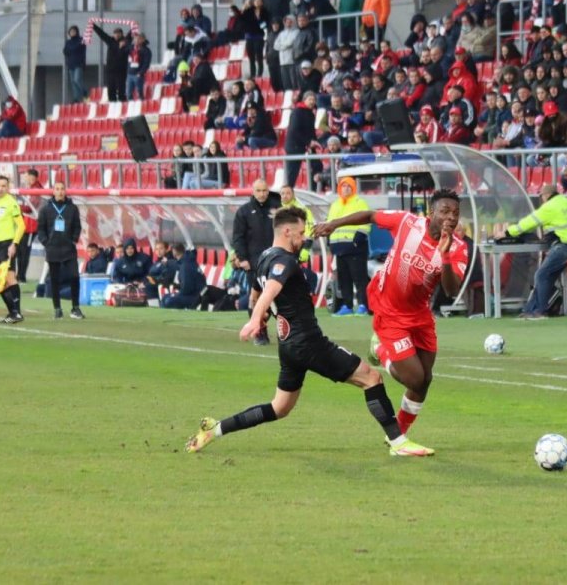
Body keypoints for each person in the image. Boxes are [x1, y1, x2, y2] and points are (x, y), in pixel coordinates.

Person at [186, 208, 434, 457]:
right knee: (371, 378)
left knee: (280, 407)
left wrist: (260, 313)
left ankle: (215, 429)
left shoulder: (263, 259)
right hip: (309, 343)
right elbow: (271, 289)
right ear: (286, 231)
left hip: (288, 346)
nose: (304, 238)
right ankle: (398, 441)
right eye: (301, 232)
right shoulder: (284, 261)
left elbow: (256, 293)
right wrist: (254, 319)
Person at [314, 189, 467, 437]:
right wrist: (335, 224)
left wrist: (445, 254)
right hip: (390, 309)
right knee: (415, 379)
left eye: (456, 213)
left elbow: (451, 290)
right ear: (431, 213)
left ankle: (397, 435)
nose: (451, 217)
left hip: (420, 315)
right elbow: (371, 215)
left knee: (425, 380)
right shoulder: (407, 223)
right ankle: (381, 350)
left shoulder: (459, 247)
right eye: (445, 211)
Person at [509, 185, 567, 320]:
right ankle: (529, 311)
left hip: (563, 245)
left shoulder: (550, 206)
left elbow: (529, 222)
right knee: (546, 276)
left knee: (541, 274)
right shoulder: (566, 202)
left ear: (545, 195)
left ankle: (540, 311)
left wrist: (508, 232)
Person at [233, 179, 282, 345]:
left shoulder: (277, 209)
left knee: (279, 299)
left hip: (275, 261)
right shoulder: (244, 212)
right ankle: (259, 332)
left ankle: (286, 333)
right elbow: (238, 238)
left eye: (264, 190)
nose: (262, 194)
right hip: (254, 263)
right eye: (259, 190)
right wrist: (243, 259)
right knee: (257, 299)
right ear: (253, 191)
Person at [35, 181, 84, 320]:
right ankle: (57, 308)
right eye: (57, 189)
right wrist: (46, 243)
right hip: (53, 249)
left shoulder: (72, 208)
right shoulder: (45, 209)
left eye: (62, 189)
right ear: (53, 191)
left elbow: (77, 226)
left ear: (65, 191)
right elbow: (41, 229)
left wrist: (73, 240)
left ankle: (75, 308)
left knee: (74, 277)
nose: (60, 191)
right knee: (54, 280)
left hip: (69, 249)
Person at [324, 176, 372, 315]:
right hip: (339, 248)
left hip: (355, 247)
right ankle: (347, 306)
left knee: (360, 278)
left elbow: (366, 221)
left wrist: (358, 239)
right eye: (343, 186)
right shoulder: (335, 205)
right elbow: (330, 223)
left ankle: (363, 305)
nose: (346, 188)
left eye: (349, 186)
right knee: (344, 279)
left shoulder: (359, 202)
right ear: (339, 188)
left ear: (353, 188)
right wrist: (329, 241)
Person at [0, 176, 25, 324]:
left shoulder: (11, 203)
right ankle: (12, 312)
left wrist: (14, 244)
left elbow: (21, 226)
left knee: (9, 279)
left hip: (8, 244)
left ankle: (17, 312)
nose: (0, 188)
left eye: (3, 186)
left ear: (7, 188)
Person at [284, 91, 318, 189]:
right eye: (310, 99)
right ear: (304, 100)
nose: (312, 102)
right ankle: (288, 193)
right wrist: (308, 142)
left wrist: (315, 142)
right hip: (294, 146)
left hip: (305, 145)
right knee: (292, 173)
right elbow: (294, 131)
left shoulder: (310, 114)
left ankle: (313, 190)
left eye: (314, 100)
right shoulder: (297, 112)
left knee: (317, 165)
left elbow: (311, 131)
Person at [15, 169, 43, 283]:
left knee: (25, 250)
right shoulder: (31, 189)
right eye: (27, 177)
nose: (28, 179)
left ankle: (21, 276)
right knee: (21, 250)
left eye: (30, 177)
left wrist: (17, 208)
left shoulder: (37, 190)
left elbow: (31, 207)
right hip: (26, 224)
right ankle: (19, 275)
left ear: (35, 178)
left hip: (32, 225)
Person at [91, 24, 129, 102]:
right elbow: (102, 34)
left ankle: (122, 103)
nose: (117, 35)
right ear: (113, 34)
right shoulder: (110, 41)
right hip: (110, 70)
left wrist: (134, 26)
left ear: (122, 34)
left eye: (119, 33)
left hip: (121, 70)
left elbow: (131, 35)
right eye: (115, 33)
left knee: (121, 88)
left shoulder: (126, 42)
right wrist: (93, 26)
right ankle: (112, 104)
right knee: (111, 89)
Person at [63, 25, 87, 103]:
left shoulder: (81, 40)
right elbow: (65, 51)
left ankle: (84, 92)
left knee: (77, 79)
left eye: (74, 31)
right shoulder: (68, 42)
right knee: (73, 82)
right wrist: (71, 50)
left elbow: (76, 48)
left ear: (77, 32)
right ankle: (76, 98)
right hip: (71, 64)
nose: (72, 33)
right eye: (71, 31)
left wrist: (71, 49)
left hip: (79, 63)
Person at [125, 33, 152, 101]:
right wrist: (131, 30)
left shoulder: (146, 50)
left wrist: (141, 73)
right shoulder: (131, 48)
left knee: (139, 92)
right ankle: (131, 108)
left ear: (143, 40)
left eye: (138, 39)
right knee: (128, 93)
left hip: (138, 74)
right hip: (130, 73)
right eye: (135, 39)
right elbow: (126, 40)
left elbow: (146, 63)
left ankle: (141, 107)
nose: (136, 40)